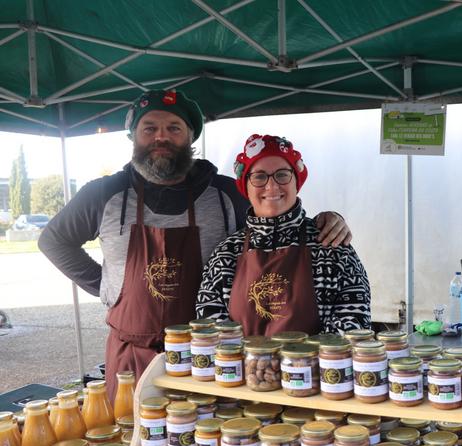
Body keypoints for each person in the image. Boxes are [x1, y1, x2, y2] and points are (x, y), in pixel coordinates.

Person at [38, 90, 351, 399]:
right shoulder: (103, 194)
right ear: (134, 137)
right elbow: (54, 241)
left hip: (206, 360)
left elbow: (275, 218)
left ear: (190, 137)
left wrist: (326, 220)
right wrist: (108, 287)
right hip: (131, 357)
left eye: (174, 128)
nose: (162, 137)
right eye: (150, 128)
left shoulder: (228, 194)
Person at [196, 134, 371, 335]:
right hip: (242, 366)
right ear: (246, 187)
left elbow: (354, 321)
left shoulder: (331, 246)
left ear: (297, 181)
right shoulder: (226, 253)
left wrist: (301, 361)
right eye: (259, 176)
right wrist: (254, 361)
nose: (271, 186)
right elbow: (209, 324)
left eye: (282, 175)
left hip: (317, 366)